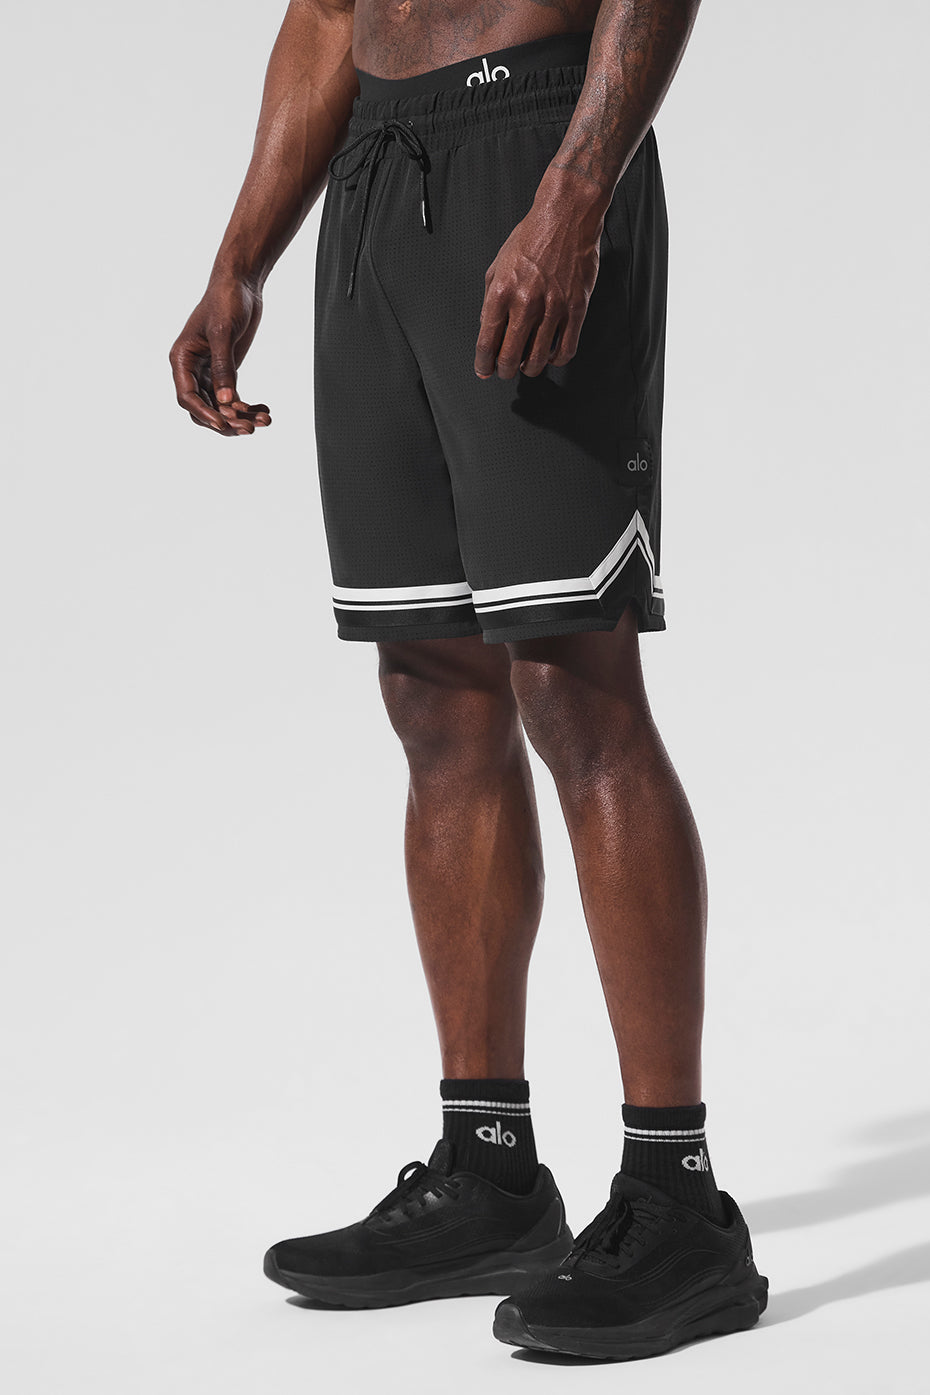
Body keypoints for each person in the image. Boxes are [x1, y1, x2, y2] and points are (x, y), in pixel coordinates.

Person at [169, 0, 768, 1361]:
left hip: (532, 147)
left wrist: (577, 186)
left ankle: (678, 1200)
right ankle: (489, 1170)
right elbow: (329, 11)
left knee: (570, 679)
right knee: (431, 691)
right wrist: (240, 261)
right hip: (374, 180)